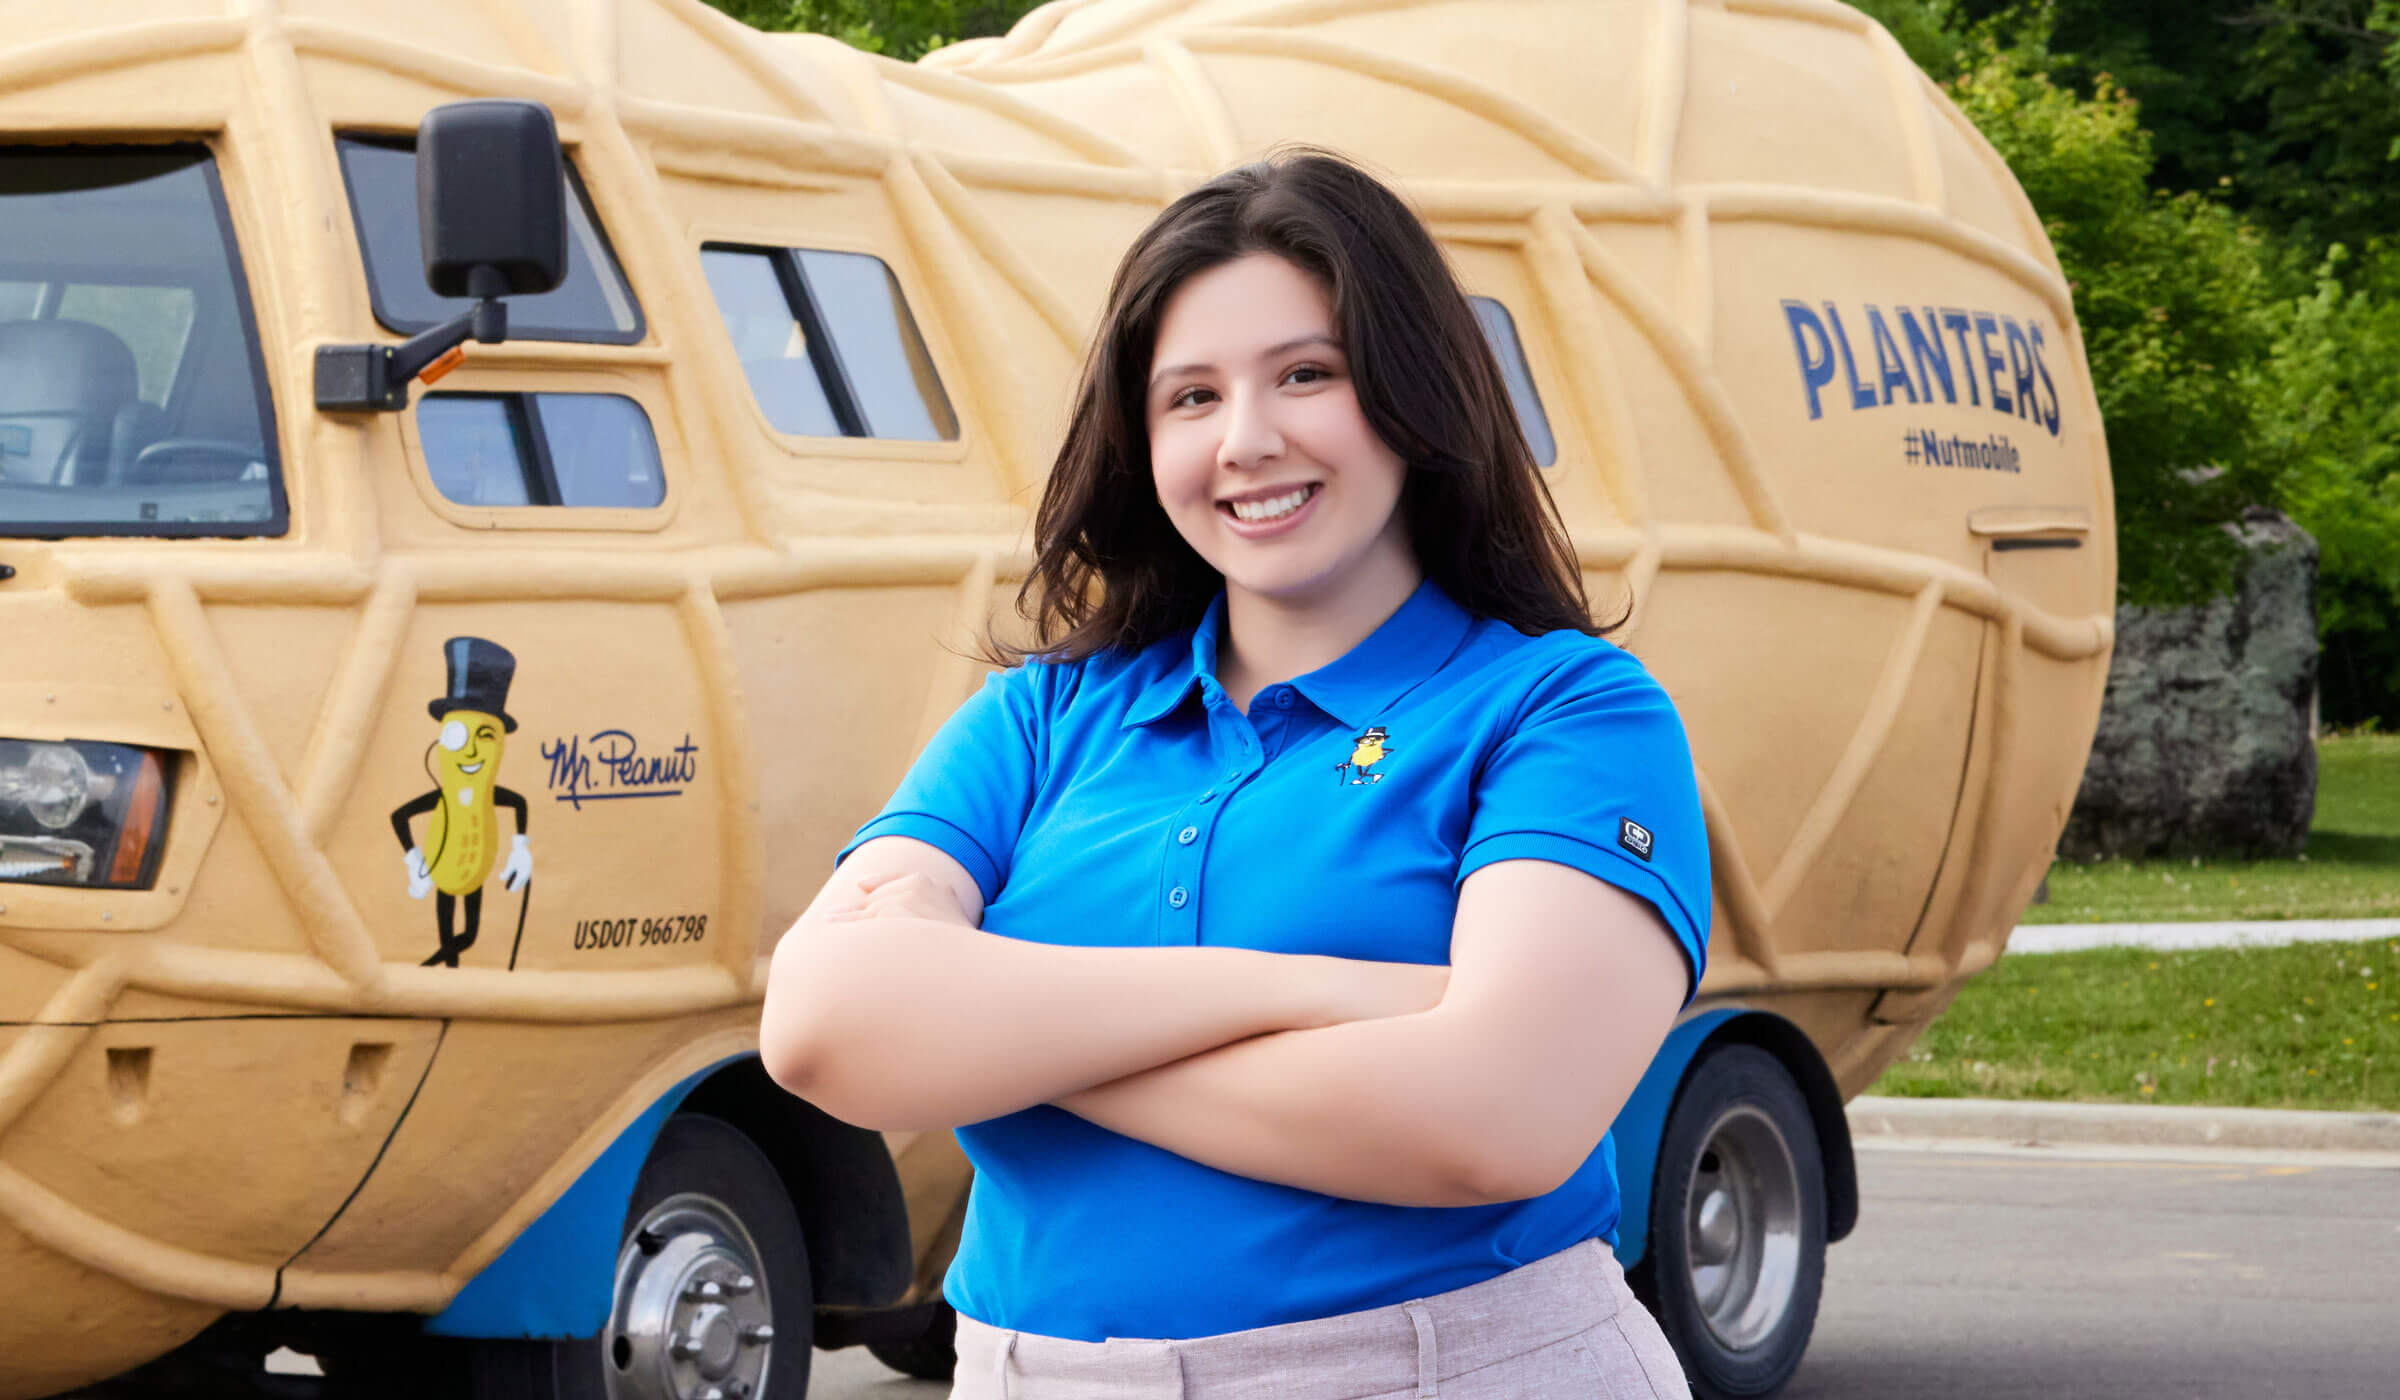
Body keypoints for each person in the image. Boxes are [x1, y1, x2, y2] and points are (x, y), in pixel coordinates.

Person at [761, 146, 1707, 1400]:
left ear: (1418, 395)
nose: (1247, 441)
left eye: (1306, 374)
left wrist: (1003, 1037)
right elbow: (824, 1028)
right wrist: (1324, 992)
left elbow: (1499, 1117)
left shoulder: (1564, 711)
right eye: (1190, 397)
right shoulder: (1043, 717)